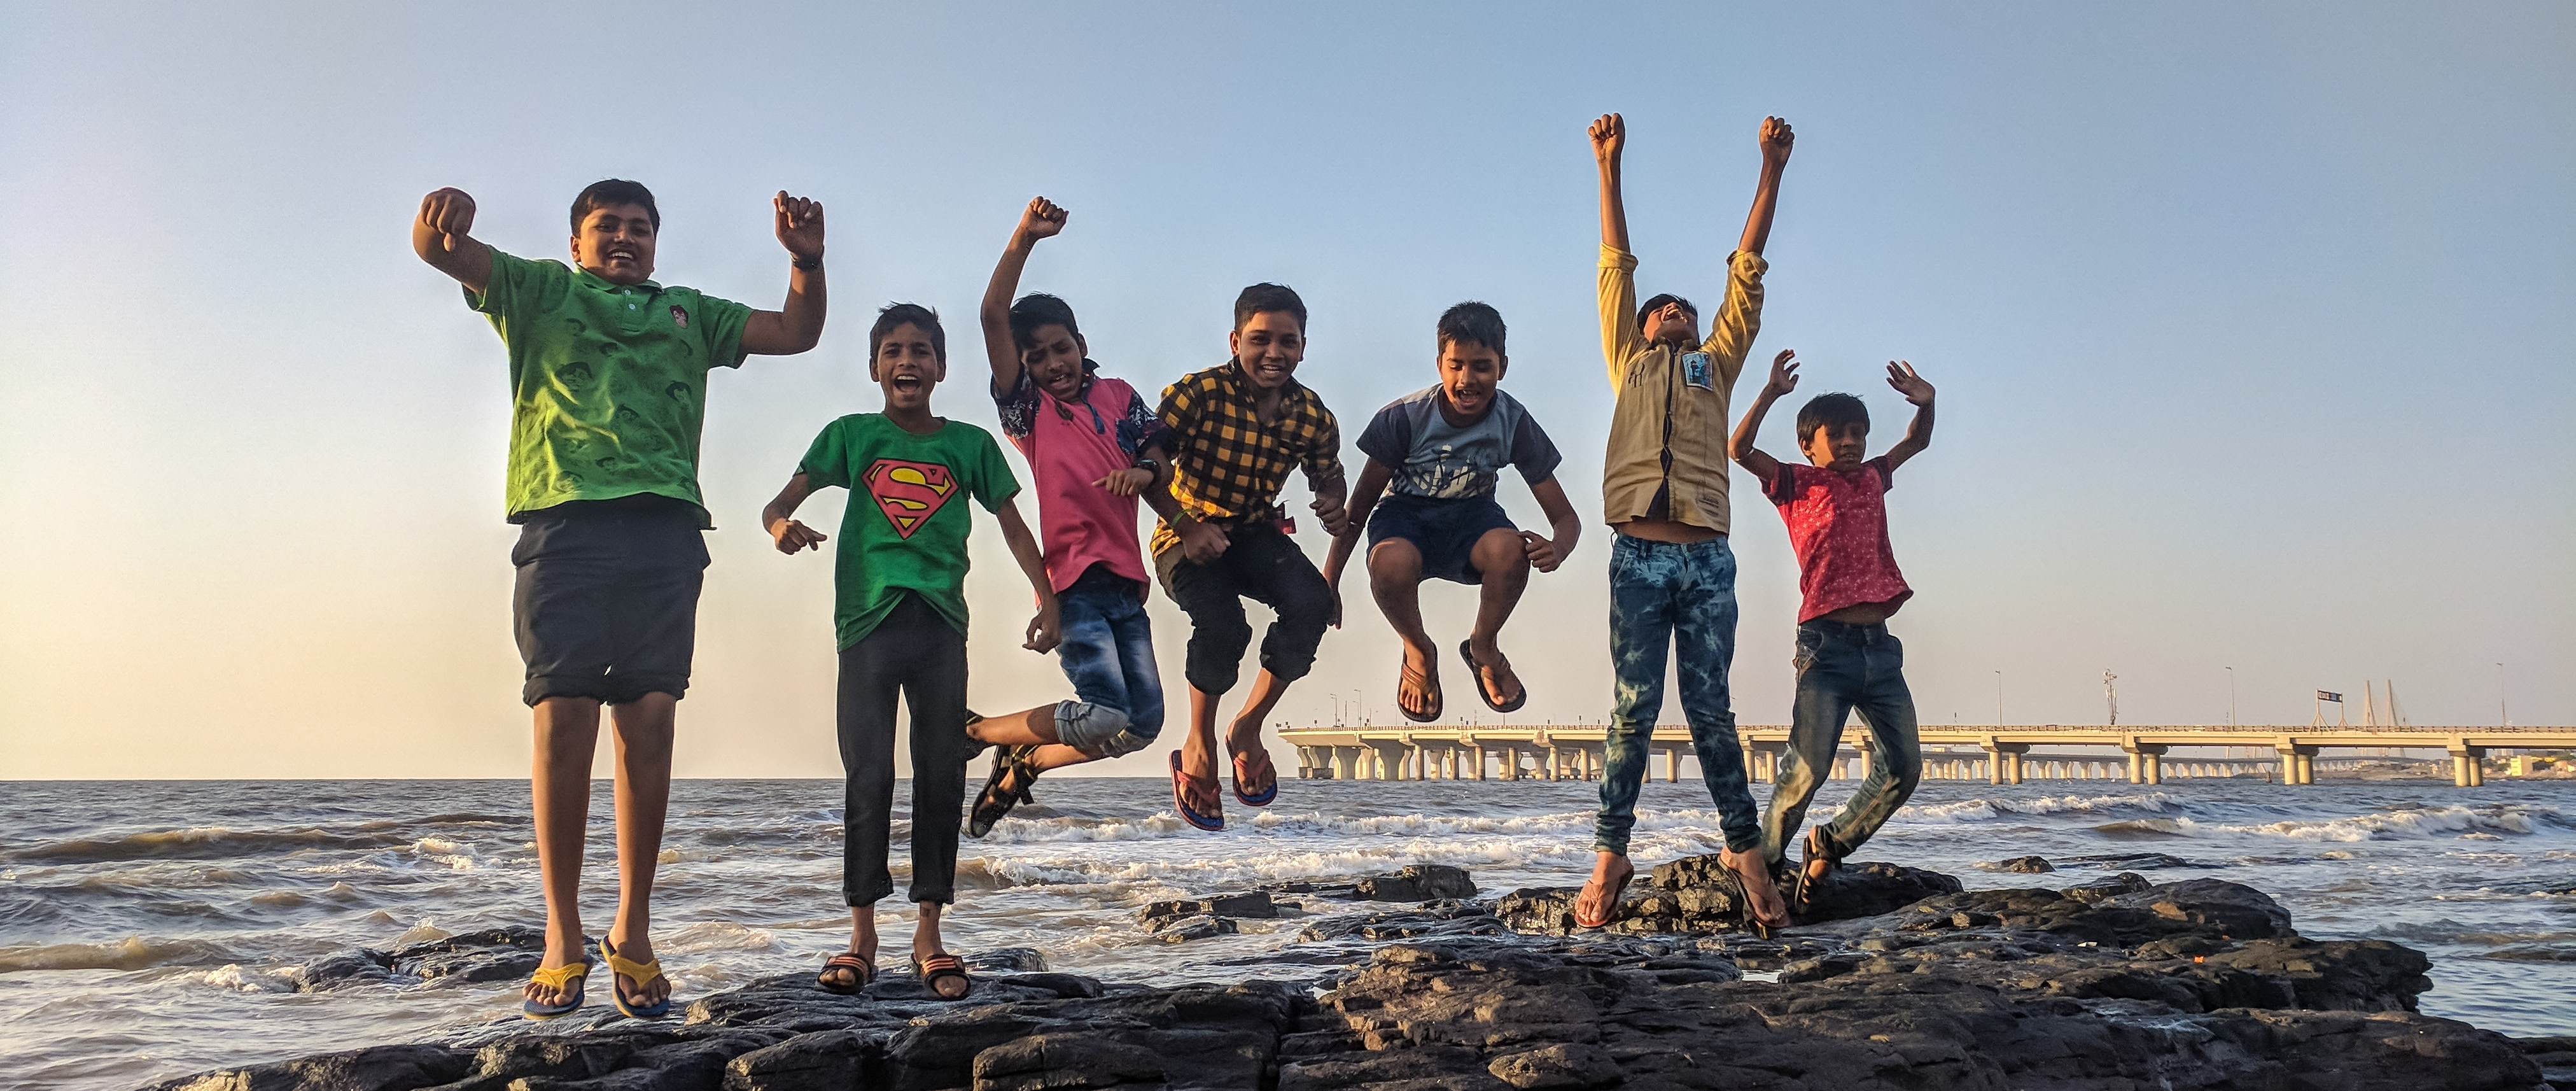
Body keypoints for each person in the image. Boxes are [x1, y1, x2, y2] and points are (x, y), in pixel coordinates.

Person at [413, 180, 826, 1019]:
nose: (626, 240)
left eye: (641, 229)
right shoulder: (540, 290)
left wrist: (805, 261)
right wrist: (439, 220)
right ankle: (562, 932)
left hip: (664, 531)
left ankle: (631, 930)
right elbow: (441, 252)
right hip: (563, 526)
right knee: (562, 717)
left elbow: (797, 330)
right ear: (577, 242)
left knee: (648, 722)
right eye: (609, 228)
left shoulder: (688, 312)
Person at [760, 304, 1058, 1000]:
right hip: (865, 625)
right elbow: (779, 501)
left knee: (937, 777)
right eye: (894, 351)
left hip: (939, 626)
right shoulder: (851, 436)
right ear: (874, 368)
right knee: (867, 777)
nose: (908, 361)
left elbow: (1013, 527)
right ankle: (861, 933)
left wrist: (1048, 596)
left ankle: (929, 932)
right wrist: (779, 525)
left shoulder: (969, 445)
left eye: (922, 351)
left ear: (941, 368)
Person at [1576, 111, 1795, 933]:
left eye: (1681, 309)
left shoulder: (1716, 366)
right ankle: (1611, 850)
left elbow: (1746, 274)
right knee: (1631, 710)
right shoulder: (1626, 362)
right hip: (1637, 555)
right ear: (1637, 329)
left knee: (1710, 712)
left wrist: (1768, 170)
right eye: (1655, 308)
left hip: (1705, 562)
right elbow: (1614, 267)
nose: (1668, 309)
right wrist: (1608, 166)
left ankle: (1744, 851)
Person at [960, 197, 1174, 836]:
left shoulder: (1118, 396)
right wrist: (1025, 237)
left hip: (1126, 586)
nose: (1054, 364)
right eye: (1038, 358)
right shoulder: (1030, 415)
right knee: (1105, 714)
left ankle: (1025, 762)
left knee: (1142, 726)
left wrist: (1148, 473)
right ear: (1023, 370)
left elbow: (1158, 452)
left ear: (1082, 344)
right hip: (1073, 584)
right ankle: (974, 730)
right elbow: (993, 315)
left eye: (1062, 349)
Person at [1731, 351, 1935, 913]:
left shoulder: (1873, 477)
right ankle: (1764, 867)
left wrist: (1928, 403)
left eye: (1858, 434)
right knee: (1809, 767)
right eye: (1837, 434)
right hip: (1825, 647)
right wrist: (1771, 393)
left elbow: (1916, 442)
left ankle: (1831, 843)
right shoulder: (1795, 483)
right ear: (1809, 445)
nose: (1850, 443)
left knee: (1905, 768)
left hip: (1881, 653)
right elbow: (1739, 450)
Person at [1145, 284, 1351, 831]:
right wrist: (1188, 527)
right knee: (1224, 626)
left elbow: (1329, 472)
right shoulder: (1198, 393)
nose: (1274, 353)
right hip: (1185, 536)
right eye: (1260, 340)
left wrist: (1333, 500)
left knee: (1312, 603)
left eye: (1288, 341)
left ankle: (1246, 727)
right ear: (1236, 341)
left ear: (1304, 347)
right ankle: (1198, 743)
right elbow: (1147, 462)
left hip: (1256, 533)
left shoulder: (1311, 414)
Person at [1323, 302, 1581, 721]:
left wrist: (1560, 547)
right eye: (1456, 365)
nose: (1467, 379)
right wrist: (1329, 579)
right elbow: (1360, 507)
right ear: (1440, 364)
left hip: (1472, 519)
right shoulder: (1403, 418)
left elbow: (1566, 518)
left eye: (1482, 366)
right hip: (1404, 517)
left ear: (1502, 366)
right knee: (1388, 563)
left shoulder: (1512, 422)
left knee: (1511, 549)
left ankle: (1483, 646)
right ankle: (1418, 650)